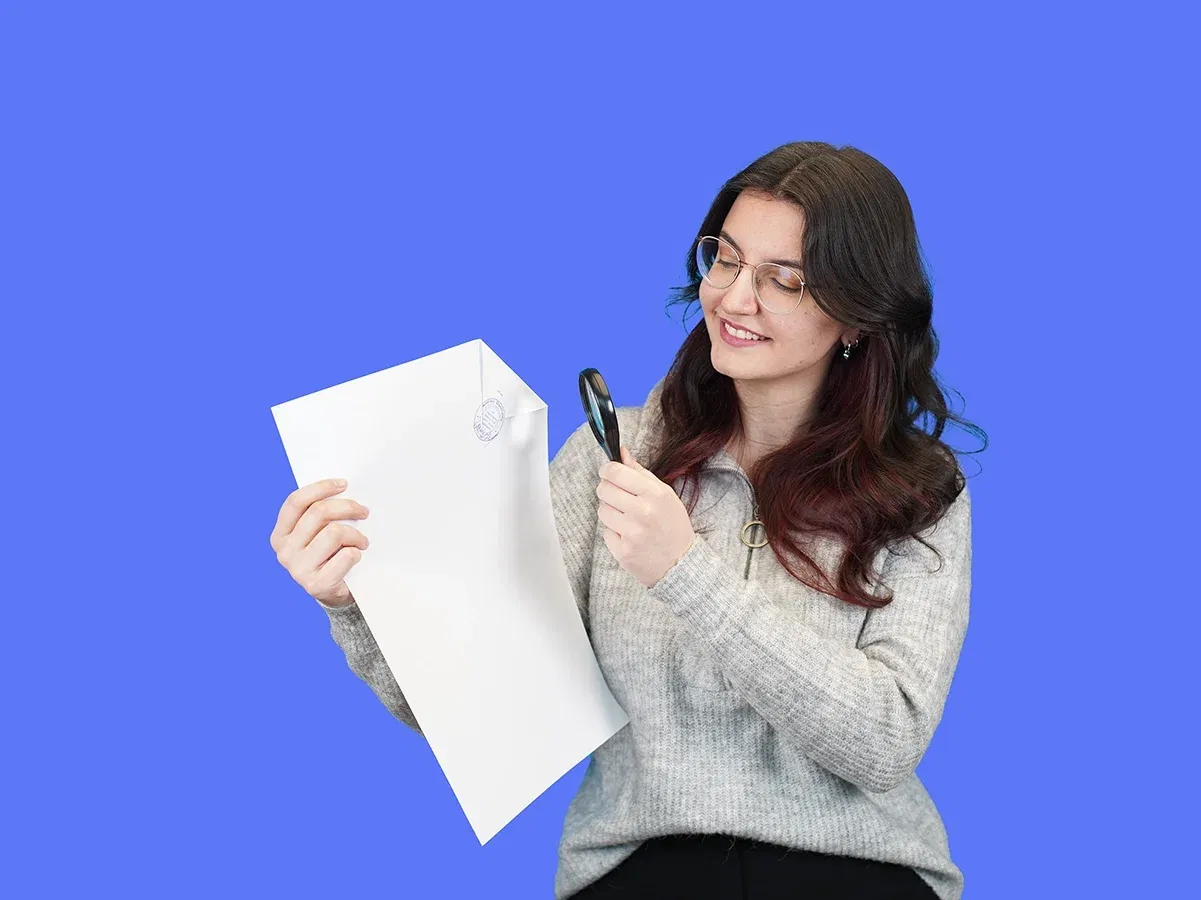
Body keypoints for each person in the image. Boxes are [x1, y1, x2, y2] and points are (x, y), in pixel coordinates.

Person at [269, 141, 985, 900]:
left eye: (784, 280)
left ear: (855, 316)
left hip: (853, 874)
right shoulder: (615, 458)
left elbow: (884, 741)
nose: (735, 299)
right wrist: (357, 605)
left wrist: (684, 571)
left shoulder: (917, 493)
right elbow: (490, 707)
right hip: (638, 870)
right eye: (726, 260)